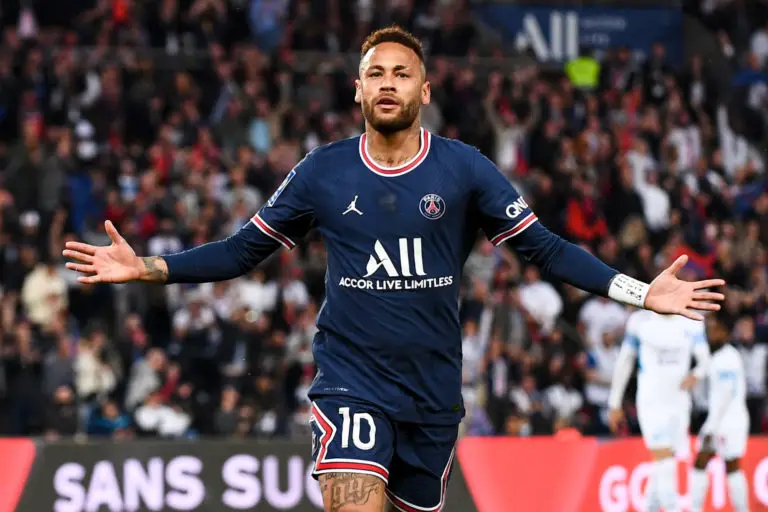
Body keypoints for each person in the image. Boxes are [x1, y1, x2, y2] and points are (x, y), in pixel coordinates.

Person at [63, 26, 725, 512]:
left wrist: (640, 292)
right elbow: (242, 250)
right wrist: (148, 267)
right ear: (357, 89)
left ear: (424, 90)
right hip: (352, 382)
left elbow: (546, 249)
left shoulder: (464, 169)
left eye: (401, 73)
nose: (387, 83)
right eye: (375, 73)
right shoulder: (322, 172)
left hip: (432, 395)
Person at [607, 310, 711, 512]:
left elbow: (705, 359)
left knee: (663, 463)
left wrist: (696, 374)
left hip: (679, 403)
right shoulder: (639, 321)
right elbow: (625, 361)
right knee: (665, 461)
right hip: (651, 402)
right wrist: (614, 403)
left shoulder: (692, 321)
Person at [690, 312, 750, 512]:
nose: (711, 334)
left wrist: (711, 427)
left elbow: (724, 396)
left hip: (728, 421)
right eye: (709, 330)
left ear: (725, 333)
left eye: (715, 330)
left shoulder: (728, 358)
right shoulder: (717, 356)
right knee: (726, 465)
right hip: (725, 420)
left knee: (713, 463)